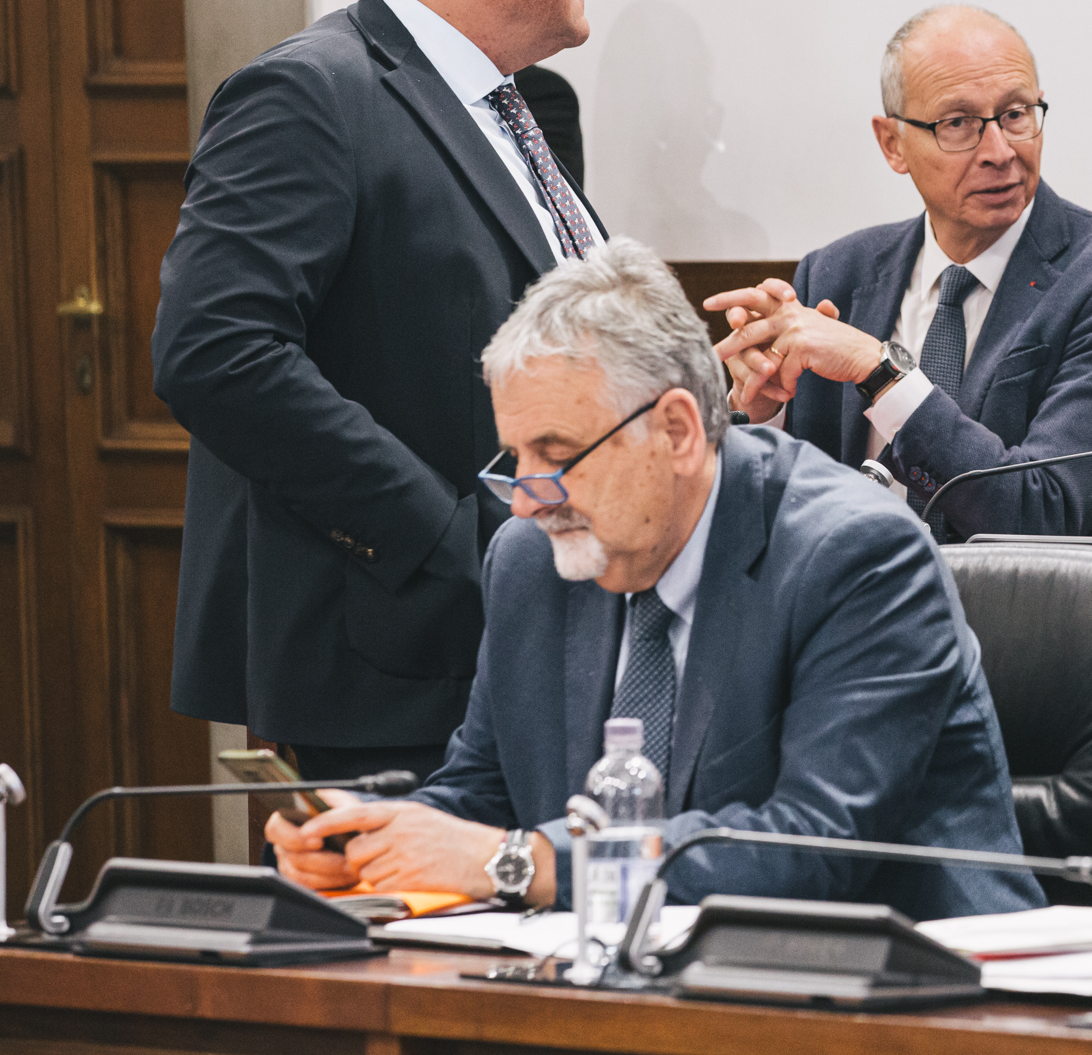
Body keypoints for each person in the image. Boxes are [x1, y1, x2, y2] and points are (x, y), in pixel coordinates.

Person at [267, 240, 1041, 921]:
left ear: (675, 430)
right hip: (623, 982)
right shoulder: (531, 560)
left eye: (555, 454)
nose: (528, 498)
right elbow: (482, 792)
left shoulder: (858, 557)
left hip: (910, 995)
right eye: (515, 458)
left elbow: (812, 847)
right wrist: (366, 836)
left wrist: (518, 863)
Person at [153, 0, 608, 783]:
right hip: (394, 655)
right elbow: (214, 353)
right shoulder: (310, 91)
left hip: (533, 634)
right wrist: (447, 536)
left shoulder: (522, 106)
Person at [705, 5, 1092, 546]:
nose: (1000, 152)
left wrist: (879, 371)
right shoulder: (834, 275)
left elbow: (1043, 514)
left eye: (1016, 114)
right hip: (854, 595)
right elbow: (771, 515)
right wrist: (762, 413)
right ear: (893, 144)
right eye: (958, 124)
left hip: (1033, 601)